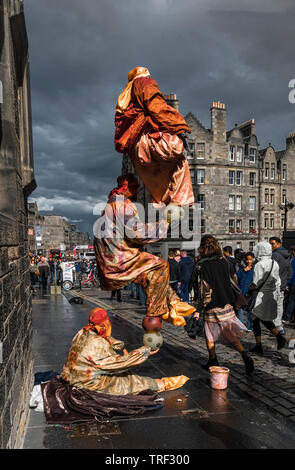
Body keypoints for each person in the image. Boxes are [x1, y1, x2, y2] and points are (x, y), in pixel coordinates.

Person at [94, 174, 196, 326]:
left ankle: (174, 303)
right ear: (128, 189)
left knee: (153, 274)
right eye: (134, 189)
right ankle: (157, 313)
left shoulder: (111, 203)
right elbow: (138, 233)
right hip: (118, 258)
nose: (136, 193)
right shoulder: (122, 204)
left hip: (111, 257)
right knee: (161, 266)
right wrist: (165, 222)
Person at [60, 308, 189, 395]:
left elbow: (109, 342)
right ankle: (163, 384)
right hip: (87, 383)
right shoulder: (97, 343)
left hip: (71, 376)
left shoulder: (83, 332)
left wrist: (122, 348)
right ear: (105, 323)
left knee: (125, 374)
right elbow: (117, 364)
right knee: (130, 382)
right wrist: (145, 351)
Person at [115, 67, 194, 207]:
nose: (150, 76)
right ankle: (178, 205)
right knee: (179, 156)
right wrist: (179, 128)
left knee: (161, 179)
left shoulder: (126, 98)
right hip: (147, 142)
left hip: (136, 152)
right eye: (148, 74)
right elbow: (157, 107)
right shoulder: (143, 83)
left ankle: (163, 208)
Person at [193, 235, 254, 375]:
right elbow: (233, 280)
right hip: (226, 302)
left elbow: (204, 289)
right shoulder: (224, 261)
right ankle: (244, 354)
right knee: (230, 332)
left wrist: (199, 309)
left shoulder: (202, 264)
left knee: (209, 334)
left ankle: (213, 359)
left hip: (212, 304)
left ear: (202, 247)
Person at [249, 242, 286, 355]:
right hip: (271, 294)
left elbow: (256, 282)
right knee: (260, 318)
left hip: (260, 295)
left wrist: (249, 289)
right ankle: (262, 343)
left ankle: (274, 339)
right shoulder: (274, 262)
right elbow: (277, 280)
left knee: (257, 318)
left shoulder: (259, 265)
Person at [269, 237, 292, 333]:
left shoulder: (275, 255)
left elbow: (271, 271)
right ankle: (278, 325)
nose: (271, 246)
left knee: (274, 305)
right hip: (282, 284)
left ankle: (276, 325)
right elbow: (290, 271)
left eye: (273, 244)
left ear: (278, 244)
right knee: (279, 305)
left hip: (274, 284)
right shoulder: (286, 255)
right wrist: (286, 281)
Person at [236, 252, 255, 331]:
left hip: (251, 292)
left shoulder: (256, 268)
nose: (248, 261)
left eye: (250, 259)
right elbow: (236, 277)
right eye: (247, 259)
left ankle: (249, 326)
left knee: (250, 310)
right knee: (240, 309)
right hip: (241, 291)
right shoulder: (241, 268)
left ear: (253, 259)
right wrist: (243, 270)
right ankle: (240, 326)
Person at [283, 245, 295, 324]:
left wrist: (287, 283)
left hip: (293, 283)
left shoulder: (293, 261)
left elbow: (292, 274)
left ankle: (287, 317)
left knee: (291, 301)